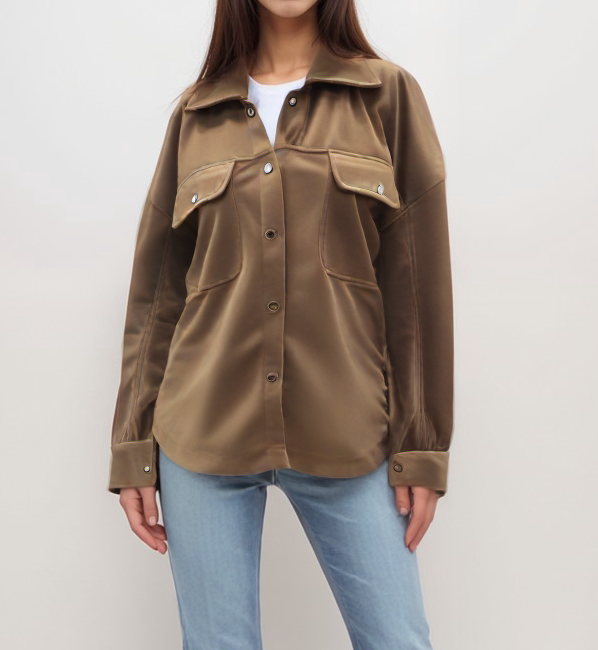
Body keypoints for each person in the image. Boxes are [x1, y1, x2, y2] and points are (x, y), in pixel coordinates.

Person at [107, 1, 454, 647]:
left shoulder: (387, 95)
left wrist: (423, 447)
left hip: (349, 429)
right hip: (201, 433)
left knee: (397, 638)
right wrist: (132, 445)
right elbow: (156, 295)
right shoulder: (196, 114)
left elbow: (418, 289)